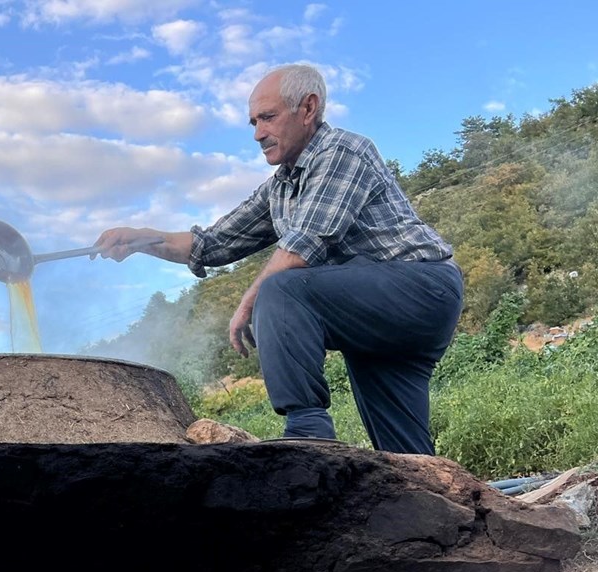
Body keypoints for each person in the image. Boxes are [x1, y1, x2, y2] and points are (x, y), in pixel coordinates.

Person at [92, 64, 463, 455]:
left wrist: (249, 303)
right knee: (405, 454)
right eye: (253, 122)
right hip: (376, 318)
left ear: (308, 108)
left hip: (422, 290)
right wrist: (140, 239)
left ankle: (307, 432)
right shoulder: (280, 188)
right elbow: (212, 244)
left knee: (283, 289)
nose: (258, 133)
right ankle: (431, 487)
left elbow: (302, 248)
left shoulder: (343, 151)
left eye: (268, 117)